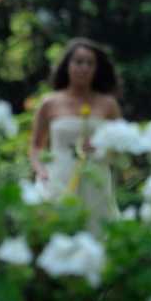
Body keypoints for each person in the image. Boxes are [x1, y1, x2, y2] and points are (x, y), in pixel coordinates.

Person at [29, 38, 122, 228]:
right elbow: (36, 146)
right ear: (67, 65)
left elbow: (121, 146)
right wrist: (41, 171)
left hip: (96, 180)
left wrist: (103, 147)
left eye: (90, 63)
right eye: (79, 62)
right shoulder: (49, 103)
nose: (84, 68)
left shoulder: (109, 105)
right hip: (58, 179)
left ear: (97, 69)